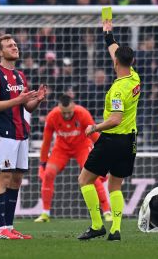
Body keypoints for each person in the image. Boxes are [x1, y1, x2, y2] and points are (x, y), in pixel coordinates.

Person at [77, 19, 141, 241]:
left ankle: (97, 225)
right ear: (131, 61)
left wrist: (94, 127)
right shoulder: (134, 77)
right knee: (115, 185)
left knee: (85, 180)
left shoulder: (117, 91)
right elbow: (116, 50)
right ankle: (115, 229)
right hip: (130, 141)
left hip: (112, 140)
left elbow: (115, 119)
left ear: (115, 62)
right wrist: (108, 33)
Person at [0, 34, 47, 240]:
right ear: (0, 52)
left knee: (17, 179)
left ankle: (9, 227)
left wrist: (36, 100)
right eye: (9, 46)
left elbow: (25, 106)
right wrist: (18, 99)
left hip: (22, 132)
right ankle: (0, 229)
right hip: (5, 133)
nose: (15, 47)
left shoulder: (20, 76)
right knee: (3, 177)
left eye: (15, 44)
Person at [34, 94, 112, 223]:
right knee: (48, 174)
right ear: (59, 109)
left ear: (73, 107)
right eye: (63, 113)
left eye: (69, 113)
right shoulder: (52, 116)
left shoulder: (82, 113)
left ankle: (107, 211)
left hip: (82, 146)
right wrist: (43, 163)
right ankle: (45, 214)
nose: (66, 116)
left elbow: (95, 135)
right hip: (61, 148)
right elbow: (46, 141)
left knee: (91, 175)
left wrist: (103, 156)